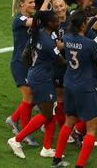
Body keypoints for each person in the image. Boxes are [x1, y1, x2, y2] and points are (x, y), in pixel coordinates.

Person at [51, 10, 97, 168]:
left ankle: (56, 159)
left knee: (69, 122)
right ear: (82, 24)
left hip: (69, 84)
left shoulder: (67, 37)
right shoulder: (89, 44)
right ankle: (80, 165)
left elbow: (83, 29)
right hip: (85, 87)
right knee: (92, 127)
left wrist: (96, 16)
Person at [7, 10, 63, 159]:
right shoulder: (47, 41)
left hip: (38, 75)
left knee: (51, 113)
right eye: (56, 20)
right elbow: (61, 61)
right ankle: (16, 140)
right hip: (42, 79)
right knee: (46, 114)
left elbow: (25, 54)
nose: (59, 21)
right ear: (49, 23)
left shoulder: (38, 34)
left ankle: (47, 148)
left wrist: (34, 67)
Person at [6, 0, 39, 146]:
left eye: (34, 2)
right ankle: (24, 133)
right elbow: (36, 22)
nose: (34, 4)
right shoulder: (19, 19)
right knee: (29, 97)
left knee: (32, 97)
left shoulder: (31, 17)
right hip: (19, 65)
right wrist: (46, 2)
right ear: (22, 4)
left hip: (30, 64)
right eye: (31, 2)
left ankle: (13, 119)